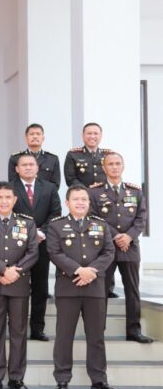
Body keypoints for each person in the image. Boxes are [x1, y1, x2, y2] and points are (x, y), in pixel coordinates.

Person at [47, 185, 115, 389]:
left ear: (89, 202)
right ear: (67, 202)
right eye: (76, 199)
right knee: (64, 336)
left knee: (96, 336)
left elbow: (109, 252)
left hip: (95, 288)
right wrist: (78, 270)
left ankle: (98, 378)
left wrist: (91, 271)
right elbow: (54, 252)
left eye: (84, 199)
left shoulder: (100, 224)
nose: (80, 203)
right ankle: (62, 378)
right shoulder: (56, 226)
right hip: (68, 288)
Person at [0, 182, 39, 389]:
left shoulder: (27, 223)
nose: (3, 201)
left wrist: (14, 272)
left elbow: (33, 252)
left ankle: (16, 378)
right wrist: (3, 270)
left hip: (19, 284)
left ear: (15, 200)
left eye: (7, 197)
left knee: (18, 332)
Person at [89, 152, 153, 343]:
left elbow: (141, 218)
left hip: (130, 248)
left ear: (123, 166)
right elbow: (93, 218)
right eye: (110, 164)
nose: (114, 167)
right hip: (105, 248)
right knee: (101, 291)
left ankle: (134, 331)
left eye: (118, 163)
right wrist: (116, 236)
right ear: (104, 167)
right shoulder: (94, 192)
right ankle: (98, 331)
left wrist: (129, 236)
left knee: (132, 290)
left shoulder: (135, 191)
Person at [10, 153, 61, 342]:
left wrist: (41, 233)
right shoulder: (10, 188)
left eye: (31, 164)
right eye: (24, 165)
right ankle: (17, 328)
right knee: (18, 288)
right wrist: (29, 234)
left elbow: (56, 213)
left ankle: (38, 328)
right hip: (17, 245)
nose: (28, 167)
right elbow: (7, 212)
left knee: (40, 288)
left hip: (42, 244)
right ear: (17, 169)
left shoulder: (49, 188)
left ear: (37, 168)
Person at [7, 123, 61, 188]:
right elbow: (12, 183)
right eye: (31, 134)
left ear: (43, 138)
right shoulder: (15, 158)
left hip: (46, 194)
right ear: (26, 138)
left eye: (38, 134)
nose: (35, 136)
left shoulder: (52, 159)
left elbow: (55, 185)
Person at [64, 122, 112, 188]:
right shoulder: (73, 155)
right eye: (89, 133)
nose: (92, 136)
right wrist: (86, 191)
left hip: (104, 192)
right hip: (82, 193)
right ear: (83, 136)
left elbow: (113, 176)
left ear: (101, 136)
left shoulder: (108, 155)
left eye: (96, 133)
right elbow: (70, 179)